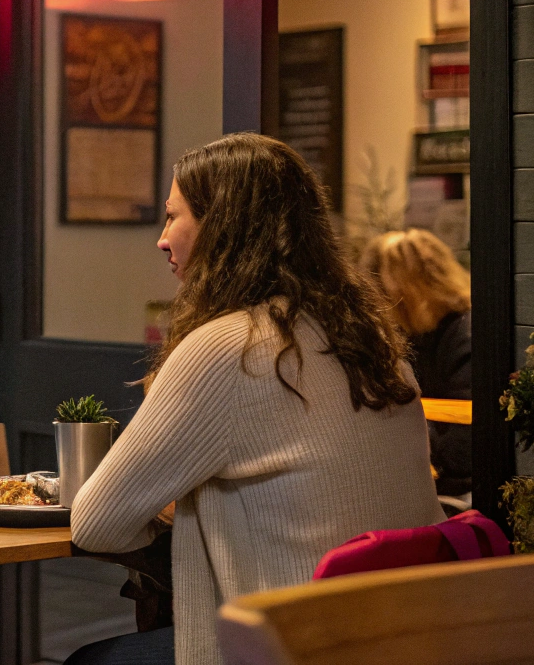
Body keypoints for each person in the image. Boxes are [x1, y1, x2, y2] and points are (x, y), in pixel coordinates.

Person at [66, 133, 443, 665]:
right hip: (402, 640)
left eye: (175, 217)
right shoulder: (371, 340)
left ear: (223, 227)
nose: (161, 238)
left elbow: (97, 523)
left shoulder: (227, 347)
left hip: (288, 646)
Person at [359, 228, 472, 497]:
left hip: (456, 492)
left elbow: (465, 443)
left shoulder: (464, 335)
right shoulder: (419, 334)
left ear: (401, 293)